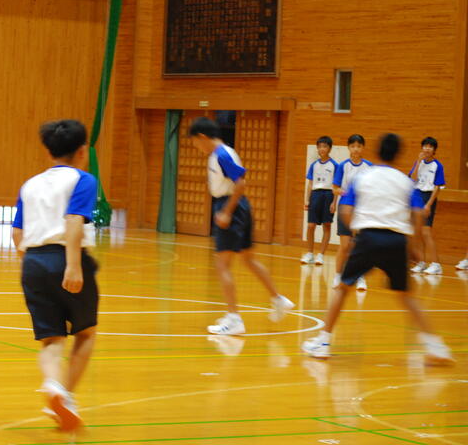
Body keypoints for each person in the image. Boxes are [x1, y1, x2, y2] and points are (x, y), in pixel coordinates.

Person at [302, 134, 453, 365]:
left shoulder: (364, 177)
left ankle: (323, 343)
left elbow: (346, 211)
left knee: (342, 289)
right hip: (397, 241)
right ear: (398, 154)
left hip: (368, 238)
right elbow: (418, 214)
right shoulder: (405, 182)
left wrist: (356, 235)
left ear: (376, 151)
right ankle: (436, 348)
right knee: (407, 296)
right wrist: (413, 247)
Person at [12, 119, 98, 432]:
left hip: (33, 262)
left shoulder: (30, 185)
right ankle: (67, 396)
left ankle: (52, 384)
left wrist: (33, 265)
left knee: (51, 338)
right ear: (82, 151)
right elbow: (74, 220)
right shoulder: (83, 180)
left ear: (48, 152)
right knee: (85, 333)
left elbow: (17, 233)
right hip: (67, 257)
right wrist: (72, 266)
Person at [188, 117, 294, 335]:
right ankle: (278, 299)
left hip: (231, 206)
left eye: (196, 143)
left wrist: (226, 212)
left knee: (222, 265)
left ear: (202, 137)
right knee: (249, 259)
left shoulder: (221, 155)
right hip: (240, 207)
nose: (197, 147)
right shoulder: (222, 153)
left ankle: (234, 319)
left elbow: (241, 183)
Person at [332, 134, 372, 289]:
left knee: (358, 247)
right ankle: (338, 276)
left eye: (359, 146)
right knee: (344, 246)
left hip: (362, 210)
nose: (356, 149)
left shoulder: (369, 166)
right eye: (353, 146)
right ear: (348, 148)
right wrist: (347, 193)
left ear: (363, 148)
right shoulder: (343, 166)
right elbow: (335, 188)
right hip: (345, 208)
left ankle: (360, 277)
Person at [408, 137, 446, 275]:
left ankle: (436, 264)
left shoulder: (437, 166)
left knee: (426, 231)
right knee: (417, 232)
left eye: (430, 146)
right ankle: (421, 262)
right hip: (416, 196)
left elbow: (437, 187)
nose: (427, 148)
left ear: (434, 150)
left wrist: (429, 205)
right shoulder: (418, 162)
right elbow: (413, 178)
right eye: (425, 146)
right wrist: (418, 162)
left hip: (427, 197)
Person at [301, 136, 338, 265]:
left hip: (328, 195)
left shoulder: (334, 165)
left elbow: (336, 186)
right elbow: (310, 184)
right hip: (315, 195)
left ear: (330, 148)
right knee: (311, 226)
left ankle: (321, 255)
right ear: (317, 148)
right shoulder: (314, 165)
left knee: (326, 225)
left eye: (325, 146)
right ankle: (310, 254)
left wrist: (334, 202)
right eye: (320, 146)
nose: (322, 149)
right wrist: (307, 200)